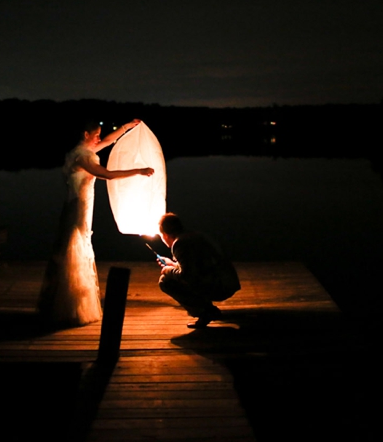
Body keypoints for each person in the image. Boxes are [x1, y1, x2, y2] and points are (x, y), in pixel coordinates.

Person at [38, 119, 154, 327]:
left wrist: (127, 127)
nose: (99, 138)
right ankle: (70, 306)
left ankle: (64, 304)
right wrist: (138, 171)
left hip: (80, 205)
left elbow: (109, 141)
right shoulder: (82, 157)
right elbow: (106, 175)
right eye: (96, 134)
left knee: (76, 247)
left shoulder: (80, 151)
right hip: (77, 208)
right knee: (73, 250)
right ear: (85, 134)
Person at [157, 212, 241, 328]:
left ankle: (205, 312)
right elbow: (196, 266)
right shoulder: (193, 235)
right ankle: (210, 310)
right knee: (178, 278)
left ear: (165, 235)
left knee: (165, 281)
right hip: (227, 282)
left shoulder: (180, 243)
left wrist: (167, 270)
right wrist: (173, 264)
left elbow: (187, 275)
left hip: (219, 287)